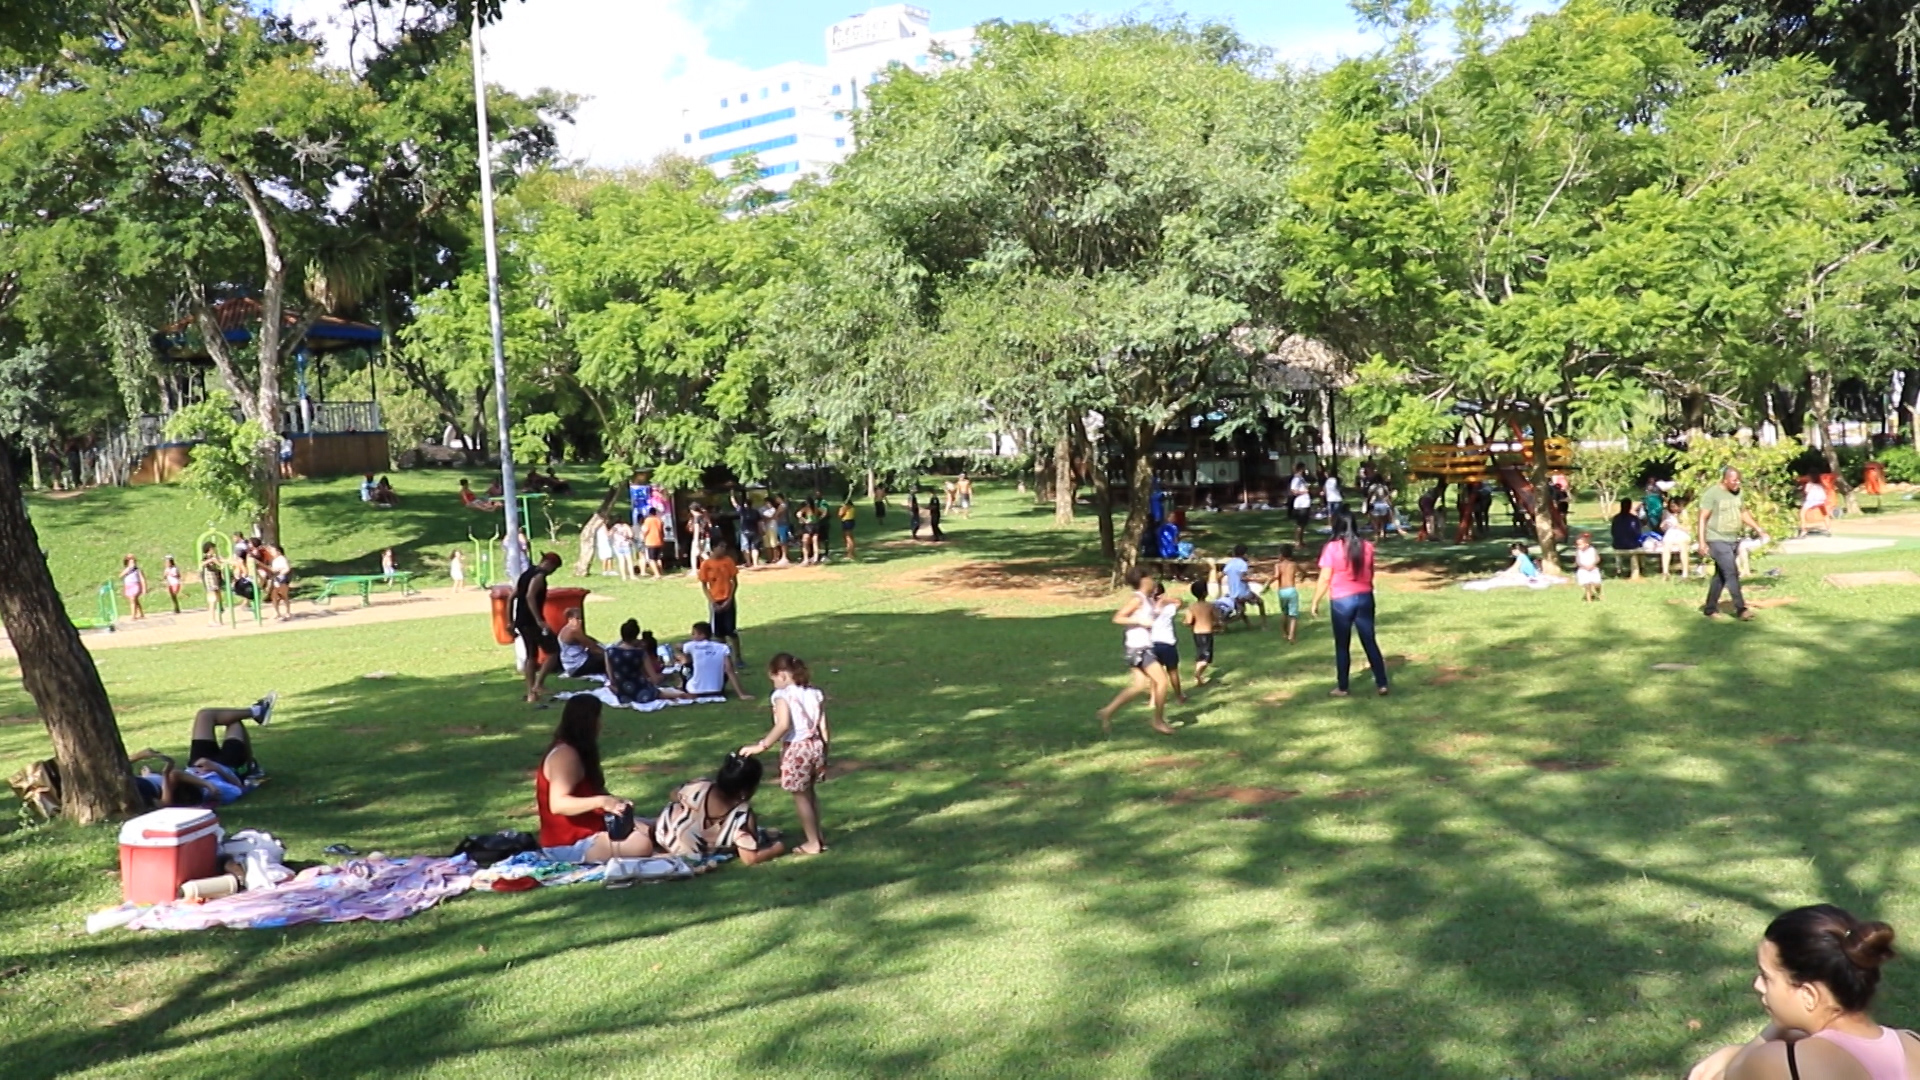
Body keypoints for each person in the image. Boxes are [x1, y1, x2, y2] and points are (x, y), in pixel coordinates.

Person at [1687, 905, 1918, 1080]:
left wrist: (1738, 1050)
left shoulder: (1783, 1063)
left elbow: (1729, 1074)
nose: (1757, 985)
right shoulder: (1912, 1043)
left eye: (1767, 978)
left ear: (1808, 995)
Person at [534, 696, 656, 863]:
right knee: (641, 844)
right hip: (569, 843)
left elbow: (590, 793)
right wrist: (601, 801)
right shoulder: (565, 755)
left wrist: (616, 803)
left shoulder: (579, 752)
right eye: (599, 718)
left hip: (594, 829)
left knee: (653, 826)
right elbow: (558, 805)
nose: (601, 724)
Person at [740, 653, 831, 855]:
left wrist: (761, 746)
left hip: (797, 747)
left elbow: (783, 725)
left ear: (781, 675)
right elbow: (824, 727)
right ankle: (818, 835)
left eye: (773, 679)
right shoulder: (814, 693)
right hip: (816, 745)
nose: (773, 684)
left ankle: (812, 843)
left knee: (800, 796)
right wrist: (825, 751)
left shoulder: (782, 696)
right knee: (810, 793)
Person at [130, 693, 276, 809]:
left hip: (197, 767)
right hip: (224, 767)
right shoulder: (139, 797)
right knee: (234, 723)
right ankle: (250, 767)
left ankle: (257, 711)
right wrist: (213, 772)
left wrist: (141, 761)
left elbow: (115, 768)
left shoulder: (121, 781)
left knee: (204, 715)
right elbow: (166, 801)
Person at [1309, 512, 1389, 698]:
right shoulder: (1367, 547)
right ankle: (1382, 683)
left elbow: (1325, 578)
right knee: (1369, 641)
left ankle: (1343, 687)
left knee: (1342, 645)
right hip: (1364, 596)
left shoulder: (1332, 548)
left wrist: (1315, 601)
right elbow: (1371, 572)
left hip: (1341, 600)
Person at [652, 753, 785, 864]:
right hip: (688, 851)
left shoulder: (700, 786)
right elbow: (750, 858)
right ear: (744, 792)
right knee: (736, 833)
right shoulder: (741, 816)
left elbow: (674, 795)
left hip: (663, 830)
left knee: (685, 815)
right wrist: (776, 849)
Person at [1095, 568, 1175, 736]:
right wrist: (1139, 620)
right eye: (1150, 577)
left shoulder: (1146, 600)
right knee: (1161, 682)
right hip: (1139, 648)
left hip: (1139, 647)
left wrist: (1159, 607)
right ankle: (1158, 721)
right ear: (1143, 580)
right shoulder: (1137, 599)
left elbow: (1151, 616)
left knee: (1139, 685)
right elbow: (1118, 617)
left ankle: (1107, 712)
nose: (1153, 581)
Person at [1700, 467, 1764, 620]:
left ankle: (1709, 609)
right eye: (1734, 480)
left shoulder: (1738, 493)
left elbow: (1743, 513)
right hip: (1716, 539)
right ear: (1725, 479)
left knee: (1721, 575)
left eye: (1739, 480)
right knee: (1731, 573)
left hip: (1732, 539)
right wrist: (1702, 542)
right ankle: (1741, 609)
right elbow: (1702, 518)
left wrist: (1758, 529)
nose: (1737, 483)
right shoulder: (1712, 494)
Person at [512, 552, 563, 702]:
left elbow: (512, 596)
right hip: (532, 621)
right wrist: (539, 620)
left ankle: (531, 694)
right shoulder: (539, 576)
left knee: (531, 655)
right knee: (554, 651)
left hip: (521, 620)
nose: (553, 572)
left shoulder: (526, 574)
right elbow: (530, 596)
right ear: (550, 564)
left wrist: (510, 620)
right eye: (554, 568)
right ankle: (538, 684)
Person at [698, 540, 744, 664]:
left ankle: (738, 657)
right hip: (715, 601)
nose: (723, 550)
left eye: (724, 547)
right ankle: (725, 658)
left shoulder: (728, 561)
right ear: (713, 548)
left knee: (731, 630)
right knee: (719, 633)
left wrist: (729, 599)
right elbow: (704, 585)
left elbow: (734, 582)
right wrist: (712, 601)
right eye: (721, 547)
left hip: (727, 599)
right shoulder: (706, 564)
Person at [681, 620, 751, 700]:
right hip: (717, 690)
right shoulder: (722, 647)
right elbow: (730, 670)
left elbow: (680, 650)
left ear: (702, 635)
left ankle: (681, 686)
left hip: (694, 690)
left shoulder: (690, 645)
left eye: (694, 633)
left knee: (685, 666)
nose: (692, 636)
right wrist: (741, 694)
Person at [1149, 581, 1187, 704]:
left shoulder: (1147, 609)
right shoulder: (1168, 608)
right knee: (1173, 671)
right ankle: (1179, 696)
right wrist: (1165, 600)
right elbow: (1180, 602)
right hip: (1167, 644)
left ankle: (1153, 699)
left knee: (1154, 674)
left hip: (1151, 644)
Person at [1220, 544, 1266, 629]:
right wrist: (1256, 580)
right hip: (1244, 592)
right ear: (1244, 554)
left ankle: (1248, 625)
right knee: (1260, 603)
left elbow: (1222, 574)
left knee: (1241, 612)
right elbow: (1243, 578)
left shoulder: (1229, 564)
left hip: (1233, 593)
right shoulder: (1243, 564)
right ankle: (1264, 625)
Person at [556, 607, 606, 679]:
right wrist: (608, 654)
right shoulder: (574, 631)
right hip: (578, 666)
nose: (580, 621)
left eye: (581, 619)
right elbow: (593, 647)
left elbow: (590, 640)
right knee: (604, 658)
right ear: (570, 619)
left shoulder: (565, 629)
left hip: (570, 665)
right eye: (578, 619)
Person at [1184, 580, 1218, 686]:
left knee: (1200, 655)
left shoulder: (1192, 607)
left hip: (1196, 633)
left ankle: (1199, 680)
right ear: (1206, 592)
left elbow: (1189, 621)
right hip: (1207, 633)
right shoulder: (1209, 606)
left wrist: (1186, 623)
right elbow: (1216, 618)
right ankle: (1198, 674)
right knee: (1206, 658)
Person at [1272, 544, 1303, 643]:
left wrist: (1268, 583)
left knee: (1284, 613)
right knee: (1293, 615)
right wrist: (1301, 577)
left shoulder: (1278, 565)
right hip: (1291, 590)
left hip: (1282, 591)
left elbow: (1276, 576)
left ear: (1281, 554)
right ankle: (1291, 636)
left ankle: (1284, 633)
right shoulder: (1294, 564)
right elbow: (1303, 572)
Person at [199, 543, 226, 626]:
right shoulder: (207, 558)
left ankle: (216, 615)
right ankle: (211, 620)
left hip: (214, 581)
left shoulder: (214, 558)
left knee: (216, 597)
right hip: (210, 581)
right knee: (212, 599)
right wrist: (214, 561)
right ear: (210, 549)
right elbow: (201, 564)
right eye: (213, 549)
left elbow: (221, 562)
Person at [1288, 464, 1314, 544]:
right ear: (1301, 469)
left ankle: (1301, 541)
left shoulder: (1301, 478)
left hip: (1305, 503)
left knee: (1303, 524)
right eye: (1304, 469)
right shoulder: (1296, 479)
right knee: (1300, 524)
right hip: (1301, 504)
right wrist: (1304, 492)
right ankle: (1297, 542)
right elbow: (1293, 491)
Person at [1574, 532, 1603, 602]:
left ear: (1587, 544)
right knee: (1587, 585)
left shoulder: (1592, 550)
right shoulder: (1578, 552)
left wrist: (1593, 564)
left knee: (1597, 584)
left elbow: (1597, 558)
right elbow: (1577, 561)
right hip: (1583, 570)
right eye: (1577, 545)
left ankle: (1599, 593)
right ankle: (1589, 600)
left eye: (1580, 545)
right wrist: (1583, 566)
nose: (1579, 546)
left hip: (1593, 569)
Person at [266, 545, 293, 620]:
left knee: (284, 596)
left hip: (282, 579)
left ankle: (288, 612)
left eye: (273, 551)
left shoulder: (282, 559)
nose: (271, 552)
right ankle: (277, 612)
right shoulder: (274, 560)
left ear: (278, 551)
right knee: (274, 597)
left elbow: (287, 568)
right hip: (275, 580)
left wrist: (280, 573)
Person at [120, 554, 146, 620]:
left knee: (132, 599)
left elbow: (142, 579)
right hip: (128, 586)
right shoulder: (127, 569)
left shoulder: (137, 570)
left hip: (135, 585)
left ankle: (133, 616)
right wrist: (128, 569)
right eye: (131, 562)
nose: (133, 564)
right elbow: (121, 575)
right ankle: (141, 613)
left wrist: (144, 588)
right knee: (135, 600)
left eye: (134, 562)